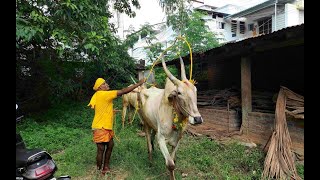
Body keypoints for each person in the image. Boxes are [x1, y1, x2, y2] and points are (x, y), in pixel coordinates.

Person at [87, 77, 145, 176]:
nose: (107, 84)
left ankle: (105, 167)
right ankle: (98, 170)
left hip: (104, 127)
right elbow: (122, 91)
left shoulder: (97, 95)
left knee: (110, 145)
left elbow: (100, 108)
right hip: (101, 127)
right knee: (101, 149)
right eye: (105, 83)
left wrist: (112, 111)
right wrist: (139, 84)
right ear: (100, 87)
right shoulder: (105, 94)